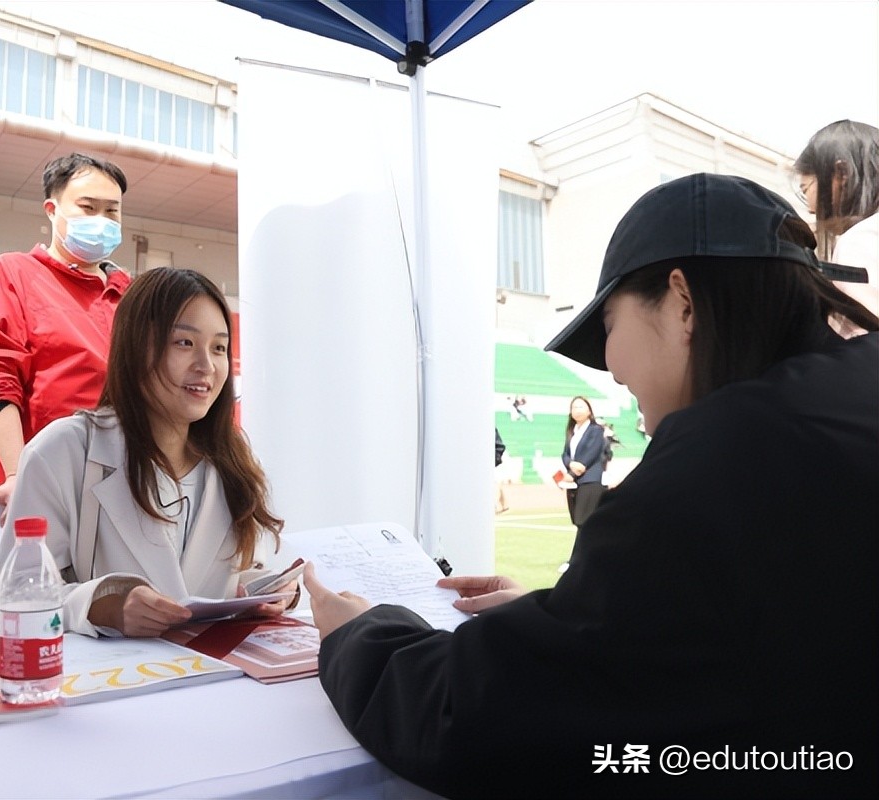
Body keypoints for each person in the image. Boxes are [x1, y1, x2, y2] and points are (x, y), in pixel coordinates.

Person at [305, 174, 878, 798]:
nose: (611, 365)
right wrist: (568, 620)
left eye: (608, 325)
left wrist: (358, 633)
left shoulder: (719, 458)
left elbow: (483, 725)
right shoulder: (838, 404)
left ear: (682, 303)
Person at [0, 268, 288, 638]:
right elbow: (9, 598)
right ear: (135, 347)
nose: (206, 366)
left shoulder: (232, 458)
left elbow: (211, 577)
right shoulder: (64, 450)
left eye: (219, 348)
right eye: (184, 343)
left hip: (212, 682)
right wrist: (103, 607)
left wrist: (260, 589)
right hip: (109, 686)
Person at [0, 152, 132, 523]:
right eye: (88, 207)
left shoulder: (131, 294)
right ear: (52, 210)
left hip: (126, 486)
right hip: (44, 483)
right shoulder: (12, 273)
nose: (101, 221)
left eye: (112, 211)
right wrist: (16, 475)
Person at [793, 119, 879, 325]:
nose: (810, 208)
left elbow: (865, 342)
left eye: (806, 190)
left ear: (841, 174)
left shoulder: (861, 240)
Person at [561, 396, 606, 530]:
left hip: (590, 480)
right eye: (574, 407)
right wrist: (570, 465)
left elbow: (591, 453)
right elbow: (565, 454)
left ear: (589, 411)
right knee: (576, 519)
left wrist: (574, 472)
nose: (577, 410)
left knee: (585, 521)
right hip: (574, 481)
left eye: (581, 407)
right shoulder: (572, 431)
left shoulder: (596, 430)